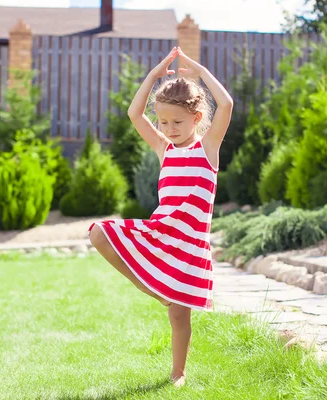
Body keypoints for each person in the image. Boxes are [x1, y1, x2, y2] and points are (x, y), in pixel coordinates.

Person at [88, 46, 233, 387]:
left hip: (190, 245)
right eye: (164, 122)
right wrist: (153, 76)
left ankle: (178, 374)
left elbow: (225, 105)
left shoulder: (207, 148)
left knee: (179, 315)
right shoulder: (163, 148)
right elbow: (134, 114)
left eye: (177, 122)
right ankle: (153, 287)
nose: (169, 128)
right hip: (161, 234)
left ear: (197, 119)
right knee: (97, 233)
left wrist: (198, 71)